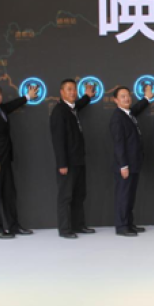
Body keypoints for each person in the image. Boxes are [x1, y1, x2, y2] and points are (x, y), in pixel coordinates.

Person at [0, 82, 37, 239]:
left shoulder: (0, 109)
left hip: (5, 160)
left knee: (9, 195)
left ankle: (13, 226)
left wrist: (27, 97)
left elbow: (11, 105)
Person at [49, 79, 98, 238]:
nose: (72, 92)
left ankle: (78, 225)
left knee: (79, 195)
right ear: (61, 92)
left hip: (78, 160)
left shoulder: (72, 108)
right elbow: (58, 140)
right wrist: (62, 164)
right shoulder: (59, 112)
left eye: (74, 89)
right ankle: (64, 229)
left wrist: (87, 96)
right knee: (65, 196)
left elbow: (79, 104)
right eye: (69, 89)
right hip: (67, 163)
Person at [109, 84, 154, 236]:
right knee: (123, 196)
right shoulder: (117, 118)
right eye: (122, 96)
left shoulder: (128, 113)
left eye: (128, 95)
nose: (126, 98)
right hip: (125, 165)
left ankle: (129, 223)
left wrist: (146, 98)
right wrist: (123, 166)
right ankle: (122, 227)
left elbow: (136, 108)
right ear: (116, 100)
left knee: (130, 196)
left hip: (134, 163)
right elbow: (119, 144)